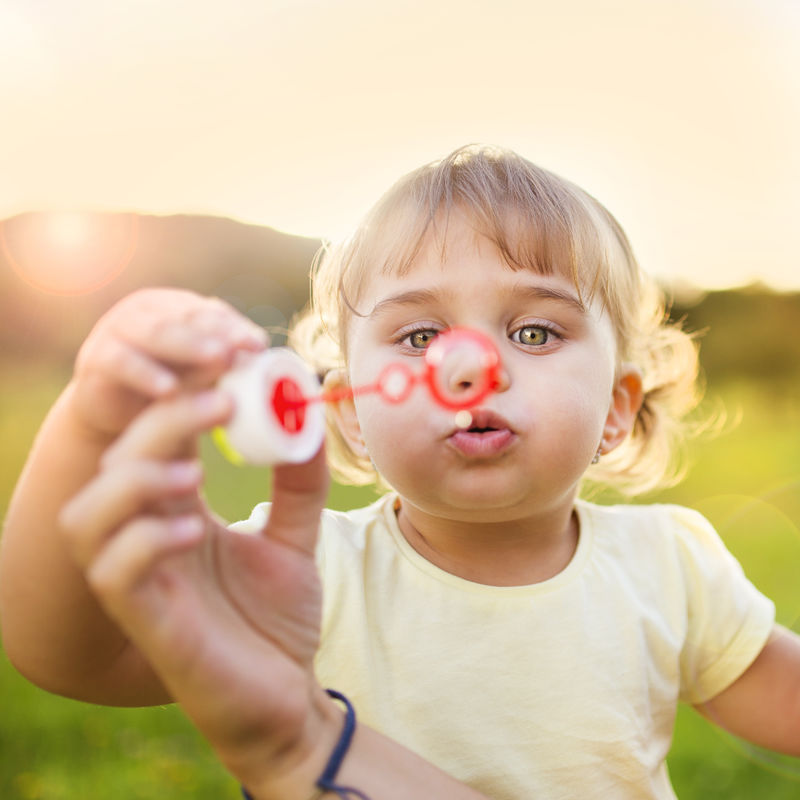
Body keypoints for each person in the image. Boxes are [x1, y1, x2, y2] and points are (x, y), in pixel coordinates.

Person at [1, 145, 799, 800]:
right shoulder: (310, 575)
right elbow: (71, 657)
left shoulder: (670, 568)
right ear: (349, 411)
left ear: (618, 407)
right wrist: (90, 421)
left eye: (533, 330)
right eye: (419, 336)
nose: (469, 366)